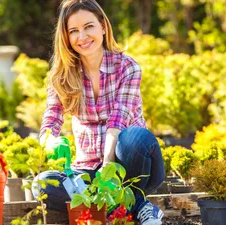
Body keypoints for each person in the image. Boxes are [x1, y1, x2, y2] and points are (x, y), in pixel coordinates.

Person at [33, 0, 165, 224]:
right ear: (66, 37)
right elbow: (50, 121)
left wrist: (108, 168)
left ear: (103, 26)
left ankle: (120, 200)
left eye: (88, 27)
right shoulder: (62, 76)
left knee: (133, 137)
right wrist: (50, 141)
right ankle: (131, 207)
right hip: (88, 172)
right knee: (42, 184)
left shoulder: (127, 67)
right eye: (73, 31)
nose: (82, 36)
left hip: (131, 166)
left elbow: (117, 122)